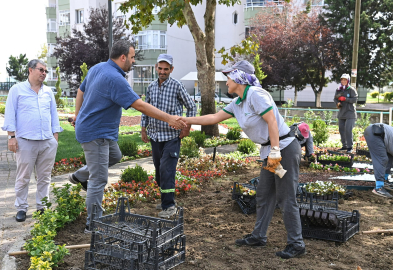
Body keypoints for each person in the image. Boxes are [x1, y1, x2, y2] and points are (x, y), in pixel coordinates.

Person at [179, 60, 306, 259]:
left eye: (228, 77)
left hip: (284, 149)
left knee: (286, 197)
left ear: (239, 77)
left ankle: (296, 244)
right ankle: (258, 236)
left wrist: (275, 152)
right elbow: (213, 118)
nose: (226, 81)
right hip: (270, 152)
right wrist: (186, 120)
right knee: (264, 195)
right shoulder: (239, 102)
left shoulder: (256, 94)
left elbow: (272, 120)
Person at [68, 40, 186, 232]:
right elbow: (139, 105)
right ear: (122, 57)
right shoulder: (115, 78)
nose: (133, 62)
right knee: (99, 179)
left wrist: (78, 115)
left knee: (115, 156)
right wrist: (169, 119)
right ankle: (93, 224)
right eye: (131, 58)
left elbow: (81, 90)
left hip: (101, 131)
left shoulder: (98, 68)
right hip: (96, 133)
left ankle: (79, 175)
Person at [2, 59, 63, 222]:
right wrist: (11, 137)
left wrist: (55, 136)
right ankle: (21, 208)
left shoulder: (48, 91)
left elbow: (54, 114)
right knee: (23, 177)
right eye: (41, 70)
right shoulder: (17, 90)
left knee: (45, 177)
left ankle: (42, 207)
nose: (44, 73)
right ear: (30, 70)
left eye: (45, 71)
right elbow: (10, 115)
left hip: (47, 142)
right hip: (25, 142)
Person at [141, 54, 197, 218]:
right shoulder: (151, 87)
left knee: (167, 170)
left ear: (171, 70)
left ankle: (169, 205)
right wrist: (144, 129)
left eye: (166, 69)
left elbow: (191, 107)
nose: (163, 71)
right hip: (155, 137)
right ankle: (166, 199)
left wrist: (187, 128)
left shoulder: (177, 86)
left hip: (172, 136)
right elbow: (145, 109)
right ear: (156, 68)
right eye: (160, 68)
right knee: (159, 171)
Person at [364, 123, 393, 198]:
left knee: (389, 158)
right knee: (382, 159)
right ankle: (379, 187)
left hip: (380, 134)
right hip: (374, 133)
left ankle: (384, 180)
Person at [334, 74, 358, 153]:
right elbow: (335, 99)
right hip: (342, 113)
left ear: (348, 81)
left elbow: (355, 99)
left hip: (350, 113)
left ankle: (349, 147)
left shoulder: (351, 89)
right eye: (342, 80)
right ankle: (344, 146)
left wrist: (345, 99)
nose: (343, 81)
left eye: (345, 80)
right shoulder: (338, 89)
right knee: (341, 129)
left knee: (348, 130)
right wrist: (337, 103)